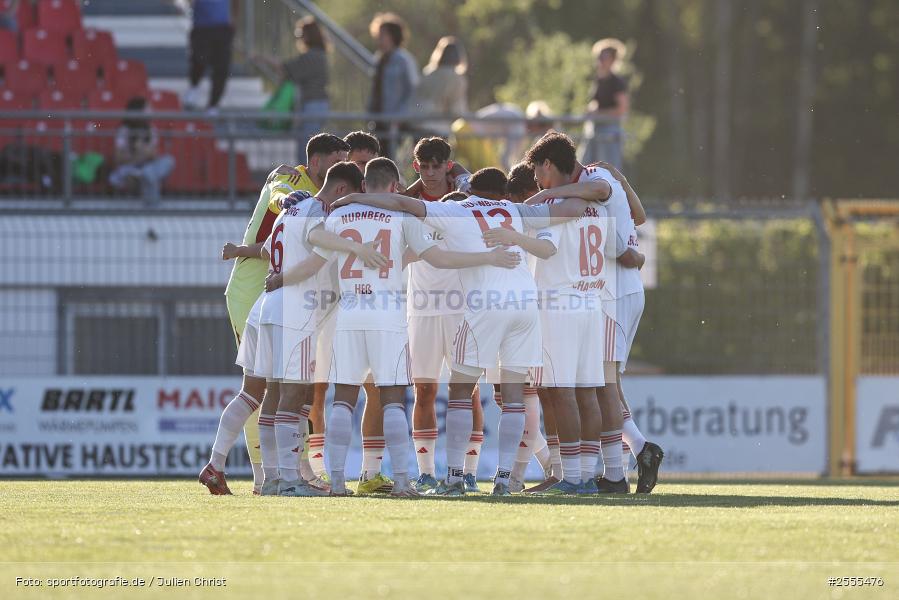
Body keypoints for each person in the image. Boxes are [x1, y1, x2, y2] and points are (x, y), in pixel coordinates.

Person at [331, 175, 610, 496]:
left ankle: (453, 479)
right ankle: (504, 481)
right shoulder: (514, 209)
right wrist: (574, 192)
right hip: (525, 305)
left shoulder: (456, 210)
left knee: (461, 390)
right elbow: (572, 209)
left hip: (486, 305)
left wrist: (354, 198)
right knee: (515, 397)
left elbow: (399, 202)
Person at [200, 134, 348, 496]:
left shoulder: (303, 207)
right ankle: (277, 477)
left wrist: (240, 249)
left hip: (268, 302)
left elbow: (269, 246)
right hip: (270, 296)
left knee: (266, 391)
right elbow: (279, 193)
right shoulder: (297, 189)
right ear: (317, 163)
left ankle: (261, 474)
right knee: (282, 391)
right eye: (338, 161)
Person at [524, 131, 664, 494]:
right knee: (604, 383)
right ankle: (627, 460)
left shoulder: (592, 181)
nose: (536, 181)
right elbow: (638, 217)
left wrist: (548, 195)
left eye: (538, 171)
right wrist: (623, 183)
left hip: (610, 293)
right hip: (612, 290)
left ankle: (614, 472)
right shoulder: (592, 187)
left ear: (549, 164)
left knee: (601, 385)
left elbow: (603, 197)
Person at [253, 17, 330, 166]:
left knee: (306, 151)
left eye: (300, 34)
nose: (299, 38)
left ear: (308, 35)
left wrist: (262, 59)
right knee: (309, 148)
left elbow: (285, 68)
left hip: (312, 106)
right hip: (319, 105)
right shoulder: (320, 55)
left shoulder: (311, 56)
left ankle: (307, 178)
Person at [367, 12, 419, 157]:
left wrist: (399, 117)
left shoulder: (404, 60)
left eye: (383, 35)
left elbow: (413, 91)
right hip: (379, 120)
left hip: (397, 123)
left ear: (393, 36)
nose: (379, 39)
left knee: (393, 161)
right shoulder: (379, 60)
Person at [108, 97, 174, 205]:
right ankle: (152, 202)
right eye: (148, 108)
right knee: (147, 175)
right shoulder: (124, 129)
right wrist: (140, 154)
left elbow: (153, 154)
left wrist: (141, 152)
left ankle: (147, 176)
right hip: (130, 169)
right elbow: (119, 157)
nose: (151, 111)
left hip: (147, 167)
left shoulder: (151, 129)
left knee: (168, 161)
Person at [581, 38, 629, 168]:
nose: (600, 60)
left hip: (609, 133)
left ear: (613, 60)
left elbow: (622, 109)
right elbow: (597, 102)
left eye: (604, 57)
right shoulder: (599, 80)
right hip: (595, 130)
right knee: (586, 168)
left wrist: (599, 113)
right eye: (599, 57)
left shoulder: (616, 82)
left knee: (607, 171)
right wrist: (591, 110)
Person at [183, 0, 234, 114]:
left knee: (221, 68)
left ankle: (213, 104)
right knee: (199, 59)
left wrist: (234, 19)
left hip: (222, 26)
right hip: (202, 26)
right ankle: (194, 87)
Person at [412, 36, 468, 137]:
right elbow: (457, 111)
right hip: (439, 130)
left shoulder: (428, 73)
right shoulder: (457, 78)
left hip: (419, 126)